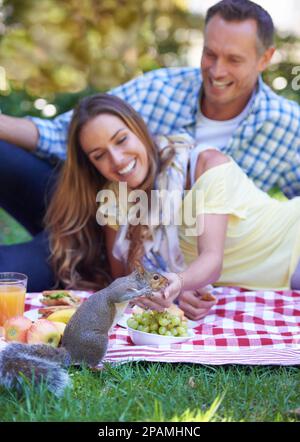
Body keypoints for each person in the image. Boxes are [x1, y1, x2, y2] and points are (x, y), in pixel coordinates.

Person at [0, 0, 299, 291]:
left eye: (234, 59)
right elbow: (64, 131)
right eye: (210, 54)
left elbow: (211, 257)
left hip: (124, 249)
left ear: (264, 58)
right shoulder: (160, 90)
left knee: (11, 271)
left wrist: (182, 282)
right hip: (86, 202)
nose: (217, 71)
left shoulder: (280, 127)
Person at [49, 92, 300, 321]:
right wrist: (175, 293)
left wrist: (179, 281)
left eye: (122, 140)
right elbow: (126, 279)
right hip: (264, 284)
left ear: (140, 129)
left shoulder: (206, 166)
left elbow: (211, 259)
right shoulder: (115, 200)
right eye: (99, 155)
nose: (116, 159)